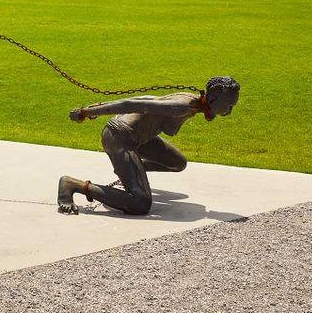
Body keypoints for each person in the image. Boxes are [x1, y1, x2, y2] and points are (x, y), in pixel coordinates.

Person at [56, 77, 240, 216]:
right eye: (229, 105)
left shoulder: (194, 103)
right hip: (120, 137)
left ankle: (132, 172)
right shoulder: (182, 106)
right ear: (214, 99)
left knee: (177, 163)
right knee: (140, 203)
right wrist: (85, 112)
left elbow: (147, 98)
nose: (230, 111)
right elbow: (131, 104)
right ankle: (73, 185)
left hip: (142, 138)